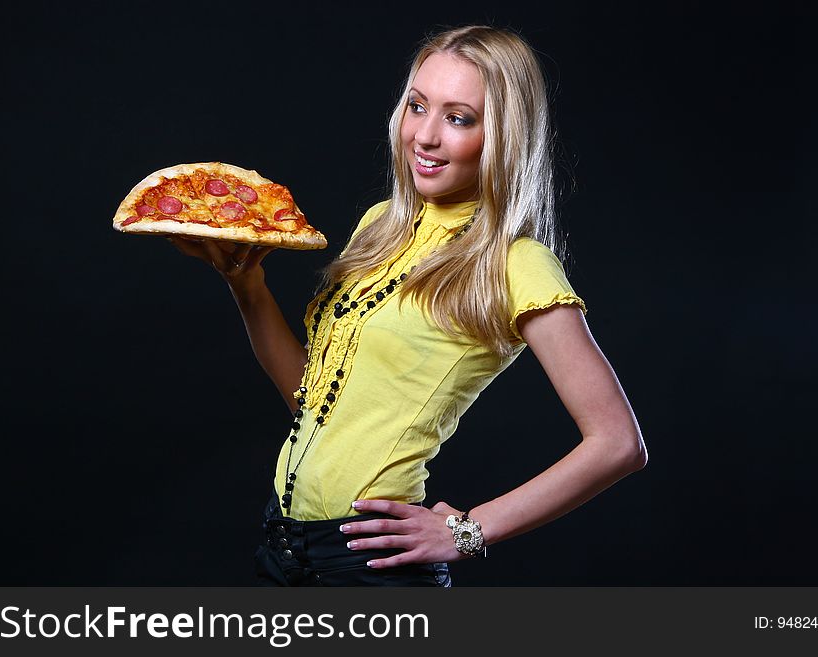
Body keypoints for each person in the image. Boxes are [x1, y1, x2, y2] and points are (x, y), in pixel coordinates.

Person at [168, 24, 647, 586]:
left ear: (504, 137)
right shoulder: (380, 227)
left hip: (369, 565)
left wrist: (467, 531)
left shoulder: (514, 263)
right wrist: (247, 286)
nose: (425, 135)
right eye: (417, 106)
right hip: (282, 547)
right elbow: (312, 401)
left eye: (458, 117)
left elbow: (618, 443)